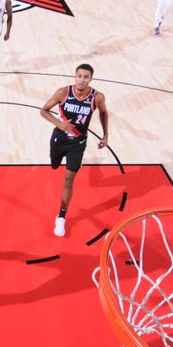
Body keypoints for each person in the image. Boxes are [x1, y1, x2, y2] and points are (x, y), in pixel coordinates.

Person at [40, 64, 109, 237]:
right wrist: (60, 125)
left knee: (69, 178)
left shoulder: (97, 97)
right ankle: (56, 161)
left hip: (78, 143)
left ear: (91, 79)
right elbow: (43, 111)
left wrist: (105, 134)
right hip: (59, 138)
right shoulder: (63, 92)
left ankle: (61, 216)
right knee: (54, 165)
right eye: (79, 76)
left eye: (86, 77)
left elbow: (103, 113)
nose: (82, 80)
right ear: (75, 76)